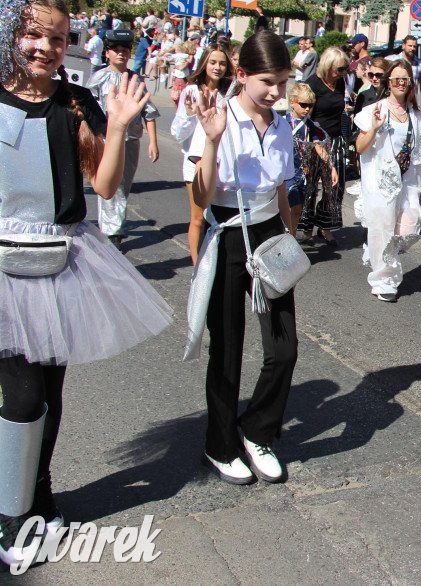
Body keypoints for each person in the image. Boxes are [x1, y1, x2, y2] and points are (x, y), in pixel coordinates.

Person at [0, 0, 172, 568]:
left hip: (58, 264)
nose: (45, 46)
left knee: (48, 394)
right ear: (10, 34)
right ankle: (10, 516)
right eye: (33, 34)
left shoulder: (75, 104)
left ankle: (38, 491)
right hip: (2, 271)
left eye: (57, 36)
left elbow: (102, 186)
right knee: (22, 400)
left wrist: (120, 125)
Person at [184, 30, 298, 486]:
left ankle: (257, 430)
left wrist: (290, 243)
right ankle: (220, 444)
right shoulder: (218, 118)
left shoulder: (283, 123)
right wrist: (211, 142)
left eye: (284, 82)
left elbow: (283, 189)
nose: (276, 92)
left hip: (270, 235)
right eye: (267, 82)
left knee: (283, 348)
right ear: (242, 74)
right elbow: (201, 195)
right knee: (227, 351)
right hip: (230, 235)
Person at [352, 59, 421, 302]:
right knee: (382, 231)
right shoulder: (376, 110)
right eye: (396, 79)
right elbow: (361, 148)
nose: (401, 83)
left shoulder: (417, 117)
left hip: (407, 183)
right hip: (381, 184)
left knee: (408, 228)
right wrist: (374, 128)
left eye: (405, 79)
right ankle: (383, 280)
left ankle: (381, 255)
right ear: (389, 83)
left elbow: (417, 158)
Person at [86, 29, 161, 251]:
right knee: (109, 184)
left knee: (123, 185)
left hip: (130, 140)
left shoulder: (136, 80)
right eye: (116, 50)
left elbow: (149, 112)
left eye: (124, 51)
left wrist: (153, 141)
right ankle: (112, 232)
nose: (121, 54)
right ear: (107, 53)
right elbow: (85, 106)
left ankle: (112, 228)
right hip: (104, 138)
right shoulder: (98, 78)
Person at [170, 43, 234, 264]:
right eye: (213, 62)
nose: (217, 67)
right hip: (195, 160)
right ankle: (198, 268)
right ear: (204, 63)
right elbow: (178, 133)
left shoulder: (231, 93)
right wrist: (188, 114)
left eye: (222, 63)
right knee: (198, 217)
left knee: (219, 217)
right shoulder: (190, 91)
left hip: (222, 163)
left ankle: (216, 264)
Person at [306, 46, 350, 244]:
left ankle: (325, 225)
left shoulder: (340, 83)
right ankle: (306, 227)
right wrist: (314, 142)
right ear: (328, 66)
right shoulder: (313, 84)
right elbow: (306, 116)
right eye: (340, 69)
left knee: (335, 187)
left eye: (345, 69)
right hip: (316, 140)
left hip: (336, 140)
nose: (343, 73)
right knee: (311, 186)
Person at [284, 83, 338, 239]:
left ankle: (292, 237)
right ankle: (287, 237)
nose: (307, 109)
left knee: (298, 209)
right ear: (293, 102)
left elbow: (318, 147)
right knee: (290, 207)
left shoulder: (309, 125)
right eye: (303, 105)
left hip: (302, 172)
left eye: (310, 105)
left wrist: (331, 167)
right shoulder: (284, 122)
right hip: (287, 172)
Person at [386, 35, 421, 99]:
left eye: (414, 46)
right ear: (403, 45)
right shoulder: (393, 60)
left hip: (412, 100)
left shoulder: (420, 63)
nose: (412, 48)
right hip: (396, 98)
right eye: (410, 46)